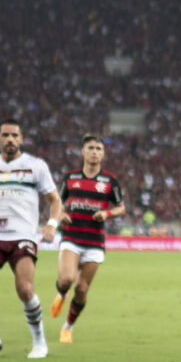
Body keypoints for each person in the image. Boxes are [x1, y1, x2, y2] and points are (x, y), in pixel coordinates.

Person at [0, 119, 61, 359]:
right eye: (5, 135)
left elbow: (55, 200)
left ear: (21, 139)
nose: (10, 139)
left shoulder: (35, 166)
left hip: (22, 236)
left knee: (25, 289)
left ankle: (39, 342)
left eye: (14, 135)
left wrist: (51, 225)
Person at [50, 134, 125, 344]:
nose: (94, 152)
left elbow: (121, 207)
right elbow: (57, 202)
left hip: (94, 241)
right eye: (90, 148)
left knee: (82, 289)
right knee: (66, 279)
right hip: (72, 237)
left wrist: (107, 214)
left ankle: (68, 327)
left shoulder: (109, 181)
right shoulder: (71, 178)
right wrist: (60, 214)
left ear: (103, 153)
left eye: (98, 149)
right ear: (83, 151)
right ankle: (61, 295)